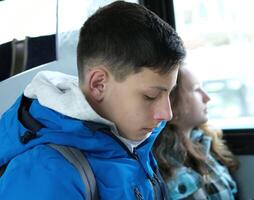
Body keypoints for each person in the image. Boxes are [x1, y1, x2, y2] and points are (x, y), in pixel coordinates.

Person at [0, 1, 185, 200]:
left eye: (169, 94)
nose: (167, 113)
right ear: (98, 84)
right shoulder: (46, 174)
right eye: (150, 96)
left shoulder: (131, 144)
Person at [153, 67, 254, 200]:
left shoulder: (205, 146)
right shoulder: (159, 165)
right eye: (197, 89)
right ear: (172, 102)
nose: (207, 97)